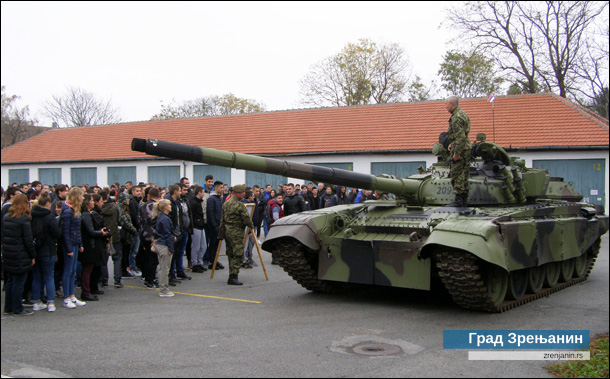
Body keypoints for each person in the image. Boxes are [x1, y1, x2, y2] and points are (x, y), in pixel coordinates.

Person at [2, 194, 36, 316]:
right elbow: (28, 240)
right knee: (19, 282)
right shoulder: (24, 219)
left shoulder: (6, 217)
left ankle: (8, 307)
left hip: (9, 252)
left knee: (11, 281)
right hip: (21, 253)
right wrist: (33, 255)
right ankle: (17, 308)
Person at [30, 195, 60, 313]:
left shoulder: (31, 216)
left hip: (35, 250)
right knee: (49, 277)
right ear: (47, 203)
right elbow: (56, 233)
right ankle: (51, 302)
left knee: (36, 277)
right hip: (48, 249)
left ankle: (36, 302)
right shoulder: (49, 217)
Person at [221, 184, 254, 285]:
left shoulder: (226, 204)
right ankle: (233, 275)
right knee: (239, 254)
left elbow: (222, 219)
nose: (244, 193)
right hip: (236, 232)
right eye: (243, 192)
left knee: (230, 253)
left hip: (227, 231)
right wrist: (251, 227)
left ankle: (232, 273)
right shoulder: (239, 205)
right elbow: (246, 219)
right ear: (238, 193)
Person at [79, 194, 110, 302]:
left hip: (90, 244)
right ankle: (86, 292)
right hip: (89, 245)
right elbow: (90, 231)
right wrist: (101, 233)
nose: (93, 202)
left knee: (89, 269)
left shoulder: (87, 214)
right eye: (91, 201)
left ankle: (88, 290)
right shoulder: (86, 215)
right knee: (87, 269)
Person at [61, 187, 87, 309]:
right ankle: (66, 297)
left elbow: (77, 229)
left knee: (73, 271)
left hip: (75, 243)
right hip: (70, 244)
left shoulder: (75, 210)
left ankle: (71, 295)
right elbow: (65, 232)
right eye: (81, 195)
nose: (83, 197)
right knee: (68, 271)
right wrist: (69, 248)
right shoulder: (67, 211)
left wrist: (80, 243)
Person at [445, 95, 471, 207]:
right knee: (464, 174)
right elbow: (464, 134)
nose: (446, 107)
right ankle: (464, 198)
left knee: (457, 174)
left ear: (451, 104)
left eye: (446, 104)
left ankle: (459, 199)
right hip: (466, 147)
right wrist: (452, 143)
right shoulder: (463, 114)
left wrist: (456, 153)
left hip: (460, 149)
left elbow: (460, 137)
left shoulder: (456, 117)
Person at [154, 199, 176, 297]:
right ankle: (163, 289)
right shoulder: (165, 219)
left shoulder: (162, 217)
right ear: (165, 207)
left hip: (160, 243)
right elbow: (167, 234)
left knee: (162, 267)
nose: (171, 206)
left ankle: (163, 287)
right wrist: (171, 248)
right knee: (165, 268)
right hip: (164, 245)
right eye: (169, 205)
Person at [204, 181, 224, 270]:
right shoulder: (212, 199)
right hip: (213, 226)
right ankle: (212, 261)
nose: (222, 189)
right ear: (216, 188)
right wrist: (214, 226)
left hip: (218, 225)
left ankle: (216, 260)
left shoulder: (218, 198)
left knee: (217, 244)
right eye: (221, 187)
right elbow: (210, 213)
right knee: (212, 244)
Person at [189, 186, 207, 273]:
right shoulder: (193, 202)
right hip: (196, 226)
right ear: (199, 192)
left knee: (203, 246)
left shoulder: (199, 202)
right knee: (196, 247)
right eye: (203, 192)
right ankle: (195, 264)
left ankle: (199, 262)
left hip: (201, 226)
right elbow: (191, 215)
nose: (204, 194)